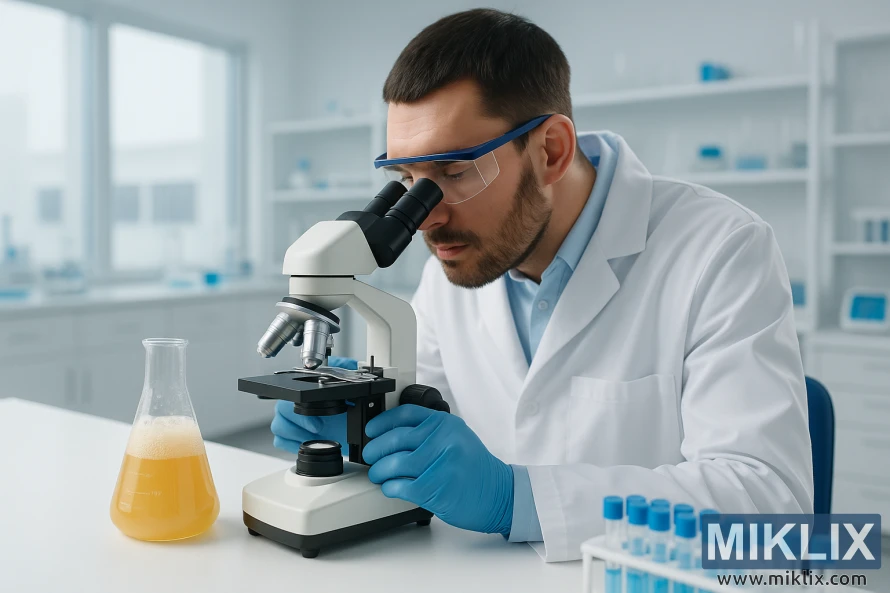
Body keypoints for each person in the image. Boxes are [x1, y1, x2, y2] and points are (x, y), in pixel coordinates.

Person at [271, 8, 813, 562]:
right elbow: (424, 428)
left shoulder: (721, 249)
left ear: (551, 150)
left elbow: (770, 508)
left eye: (453, 173)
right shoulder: (449, 273)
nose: (426, 217)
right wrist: (364, 428)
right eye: (408, 180)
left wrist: (518, 499)